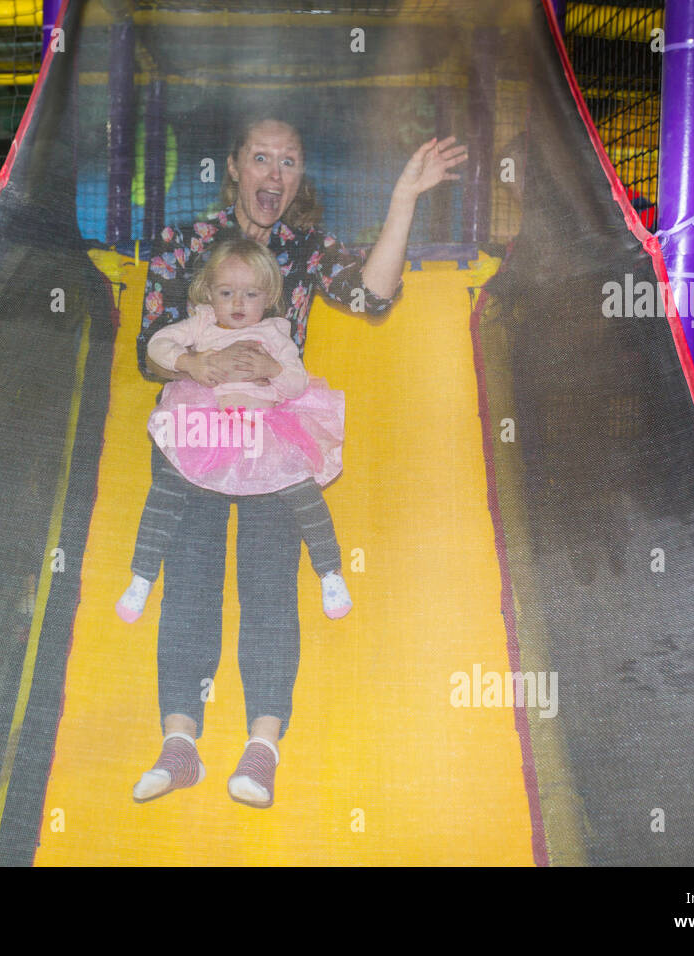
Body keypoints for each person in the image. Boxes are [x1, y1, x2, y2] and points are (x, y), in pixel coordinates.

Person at [133, 114, 467, 808]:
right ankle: (181, 741)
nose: (275, 176)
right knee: (189, 582)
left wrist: (402, 200)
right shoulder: (186, 243)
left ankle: (261, 748)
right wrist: (206, 359)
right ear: (234, 167)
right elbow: (149, 348)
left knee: (267, 592)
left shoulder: (305, 249)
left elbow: (371, 294)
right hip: (197, 440)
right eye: (262, 159)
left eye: (289, 162)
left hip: (271, 444)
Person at [118, 238, 352, 625]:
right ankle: (142, 576)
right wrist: (189, 362)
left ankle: (330, 572)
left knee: (303, 492)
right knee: (167, 488)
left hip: (263, 431)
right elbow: (158, 344)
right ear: (209, 293)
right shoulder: (204, 323)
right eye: (227, 293)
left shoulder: (275, 334)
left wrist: (272, 370)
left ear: (269, 296)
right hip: (210, 425)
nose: (239, 304)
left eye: (250, 294)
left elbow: (297, 383)